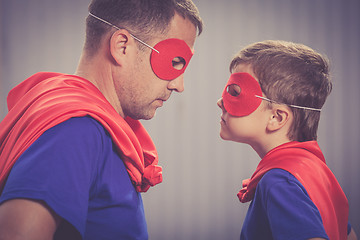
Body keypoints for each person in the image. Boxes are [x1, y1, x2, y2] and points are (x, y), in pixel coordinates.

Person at [0, 0, 203, 239]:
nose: (178, 85)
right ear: (122, 46)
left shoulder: (96, 129)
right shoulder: (75, 131)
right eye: (175, 62)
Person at [217, 40, 357, 240]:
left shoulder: (279, 181)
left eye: (235, 92)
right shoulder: (315, 170)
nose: (220, 101)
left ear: (277, 118)